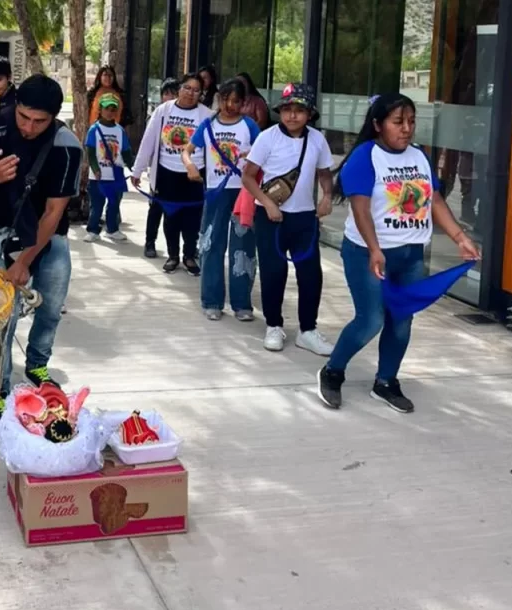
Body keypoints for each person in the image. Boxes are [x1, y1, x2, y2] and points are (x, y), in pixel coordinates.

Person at [317, 94, 480, 413]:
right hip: (367, 253)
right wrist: (376, 249)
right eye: (398, 122)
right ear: (378, 125)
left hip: (410, 255)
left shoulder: (419, 156)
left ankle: (386, 381)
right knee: (371, 320)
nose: (406, 129)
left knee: (401, 319)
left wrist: (460, 237)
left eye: (411, 121)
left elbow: (433, 200)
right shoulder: (366, 156)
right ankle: (333, 371)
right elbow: (361, 209)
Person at [0, 74, 82, 428]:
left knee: (52, 308)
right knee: (4, 318)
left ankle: (37, 365)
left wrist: (25, 261)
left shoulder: (66, 145)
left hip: (49, 237)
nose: (29, 127)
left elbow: (53, 212)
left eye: (39, 121)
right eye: (24, 117)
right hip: (2, 233)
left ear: (55, 116)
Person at [242, 83, 335, 355]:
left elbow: (324, 173)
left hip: (304, 216)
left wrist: (327, 196)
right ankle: (273, 325)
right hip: (269, 215)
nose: (292, 116)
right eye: (287, 110)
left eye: (299, 110)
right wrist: (268, 203)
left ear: (310, 114)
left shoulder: (317, 139)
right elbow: (248, 176)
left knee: (310, 275)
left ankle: (308, 330)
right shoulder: (267, 137)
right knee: (274, 273)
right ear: (280, 112)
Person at [183, 78, 259, 321]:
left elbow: (268, 152)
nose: (229, 105)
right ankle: (212, 300)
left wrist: (254, 155)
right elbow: (187, 150)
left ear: (243, 103)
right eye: (224, 99)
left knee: (244, 245)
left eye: (235, 101)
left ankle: (242, 303)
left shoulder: (249, 126)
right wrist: (190, 166)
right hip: (216, 192)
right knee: (211, 244)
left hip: (243, 193)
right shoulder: (207, 125)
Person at [131, 73, 212, 275]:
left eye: (196, 90)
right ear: (179, 89)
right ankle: (173, 255)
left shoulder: (207, 115)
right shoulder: (163, 111)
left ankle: (190, 255)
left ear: (201, 94)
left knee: (193, 217)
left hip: (195, 174)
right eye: (187, 88)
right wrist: (137, 169)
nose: (190, 93)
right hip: (167, 172)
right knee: (170, 216)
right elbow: (148, 141)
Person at [84, 93, 133, 243]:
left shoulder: (120, 130)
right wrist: (95, 168)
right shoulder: (94, 129)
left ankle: (112, 229)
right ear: (100, 110)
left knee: (114, 204)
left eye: (113, 109)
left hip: (115, 174)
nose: (110, 112)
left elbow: (125, 151)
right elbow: (91, 151)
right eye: (107, 108)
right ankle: (93, 230)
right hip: (98, 176)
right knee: (96, 205)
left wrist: (132, 167)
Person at [143, 78, 180, 259]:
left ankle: (177, 248)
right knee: (155, 208)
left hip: (177, 172)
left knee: (174, 213)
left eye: (173, 93)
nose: (169, 97)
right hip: (158, 172)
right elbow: (147, 144)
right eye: (166, 93)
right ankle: (150, 242)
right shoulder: (158, 115)